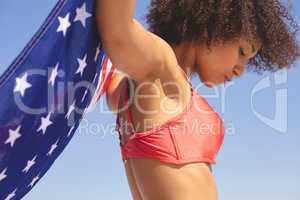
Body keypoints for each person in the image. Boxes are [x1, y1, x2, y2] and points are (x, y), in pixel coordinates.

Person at [96, 0, 299, 199]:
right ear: (215, 23)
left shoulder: (123, 90)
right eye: (242, 51)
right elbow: (119, 33)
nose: (240, 69)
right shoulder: (159, 69)